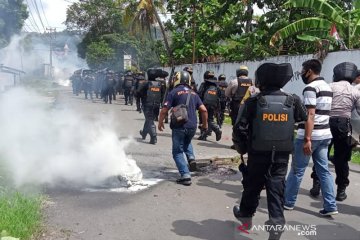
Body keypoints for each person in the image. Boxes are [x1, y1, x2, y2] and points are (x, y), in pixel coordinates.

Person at [232, 62, 307, 240]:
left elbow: (239, 129)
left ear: (261, 80)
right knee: (276, 189)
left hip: (258, 153)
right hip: (281, 156)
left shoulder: (254, 101)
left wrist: (242, 149)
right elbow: (303, 118)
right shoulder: (293, 100)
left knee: (252, 187)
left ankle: (246, 217)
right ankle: (276, 224)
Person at [284, 59, 338, 216]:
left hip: (310, 136)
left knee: (297, 170)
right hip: (325, 135)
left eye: (303, 70)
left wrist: (307, 139)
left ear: (309, 71)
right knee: (324, 171)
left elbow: (311, 114)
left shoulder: (310, 88)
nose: (301, 73)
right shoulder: (327, 87)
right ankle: (330, 206)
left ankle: (288, 202)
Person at [309, 62, 360, 201]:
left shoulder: (329, 86)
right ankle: (341, 190)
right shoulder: (355, 90)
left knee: (321, 154)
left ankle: (316, 184)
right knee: (342, 159)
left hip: (325, 122)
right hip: (343, 125)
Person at [158, 71, 208, 186]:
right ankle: (191, 158)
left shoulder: (174, 92)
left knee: (177, 152)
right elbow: (204, 110)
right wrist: (204, 125)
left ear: (176, 80)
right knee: (187, 141)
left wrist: (160, 122)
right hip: (192, 126)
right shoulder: (194, 94)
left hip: (179, 126)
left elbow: (164, 110)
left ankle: (185, 175)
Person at [138, 68, 166, 144]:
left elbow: (138, 93)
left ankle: (154, 137)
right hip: (156, 105)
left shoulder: (146, 83)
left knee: (149, 120)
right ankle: (144, 133)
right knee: (149, 119)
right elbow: (163, 96)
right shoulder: (160, 84)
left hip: (147, 105)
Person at [197, 71, 222, 141]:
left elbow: (199, 94)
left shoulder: (204, 84)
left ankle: (216, 130)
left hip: (204, 104)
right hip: (213, 105)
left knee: (203, 119)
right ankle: (204, 135)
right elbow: (219, 95)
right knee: (210, 119)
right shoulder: (216, 85)